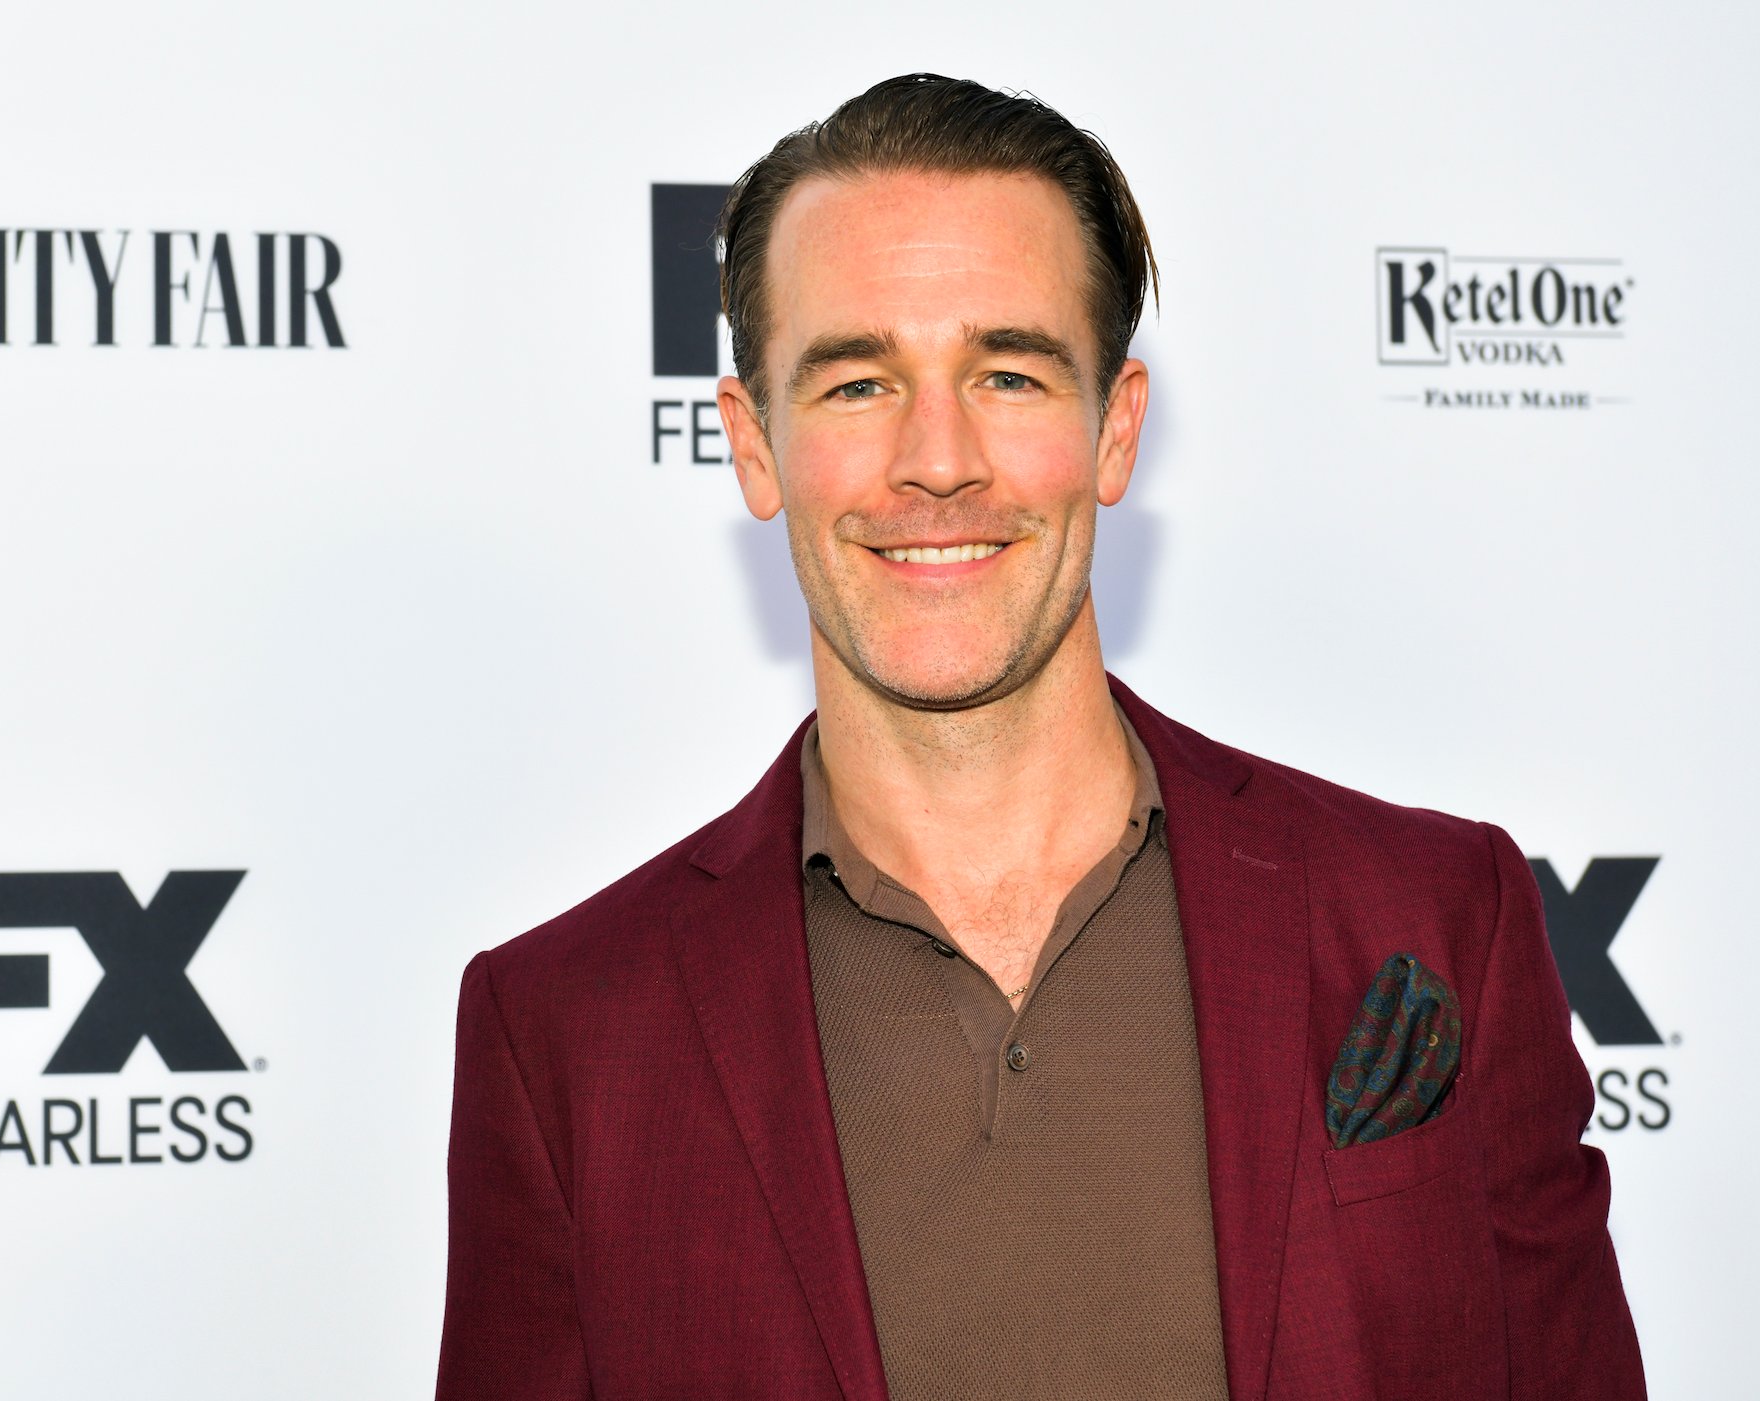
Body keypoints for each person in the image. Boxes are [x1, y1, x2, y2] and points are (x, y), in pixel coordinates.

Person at [435, 74, 1644, 1401]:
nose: (937, 458)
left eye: (1007, 375)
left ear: (1114, 430)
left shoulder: (1434, 917)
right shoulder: (565, 1035)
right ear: (753, 445)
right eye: (857, 383)